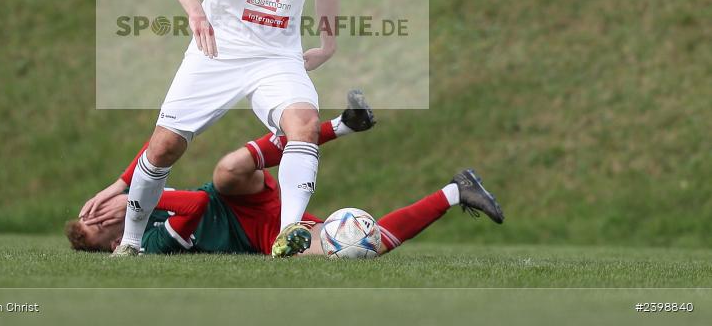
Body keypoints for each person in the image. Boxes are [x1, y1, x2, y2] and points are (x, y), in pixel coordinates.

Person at [85, 0, 341, 257]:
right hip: (217, 50)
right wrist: (196, 13)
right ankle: (130, 242)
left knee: (305, 124)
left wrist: (328, 44)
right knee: (164, 147)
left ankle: (288, 233)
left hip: (276, 57)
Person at [68, 94, 505, 256]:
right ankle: (455, 192)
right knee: (354, 247)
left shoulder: (137, 206)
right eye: (98, 225)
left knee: (227, 169)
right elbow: (194, 206)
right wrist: (134, 201)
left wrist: (122, 186)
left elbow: (157, 152)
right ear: (109, 245)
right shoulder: (146, 244)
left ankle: (340, 126)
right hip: (261, 236)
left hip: (238, 196)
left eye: (94, 211)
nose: (102, 215)